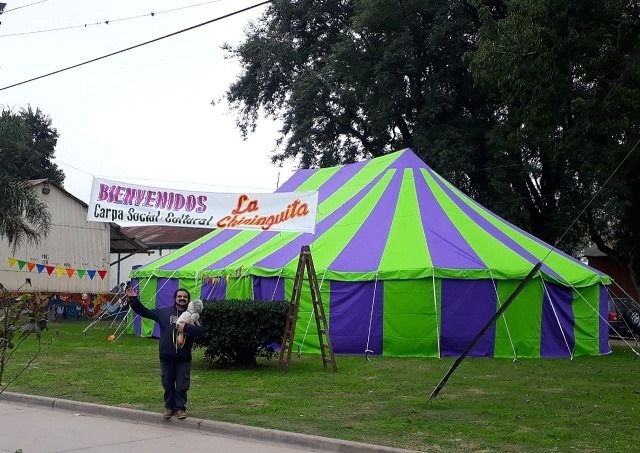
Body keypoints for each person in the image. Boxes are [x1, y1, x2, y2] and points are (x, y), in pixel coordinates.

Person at [126, 286, 202, 420]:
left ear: (188, 300)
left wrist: (187, 327)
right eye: (180, 296)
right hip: (166, 356)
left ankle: (180, 409)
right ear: (175, 298)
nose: (182, 298)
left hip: (183, 358)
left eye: (185, 297)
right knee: (167, 383)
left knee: (182, 384)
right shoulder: (164, 312)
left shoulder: (193, 316)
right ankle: (169, 407)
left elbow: (201, 332)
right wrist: (133, 300)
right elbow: (145, 312)